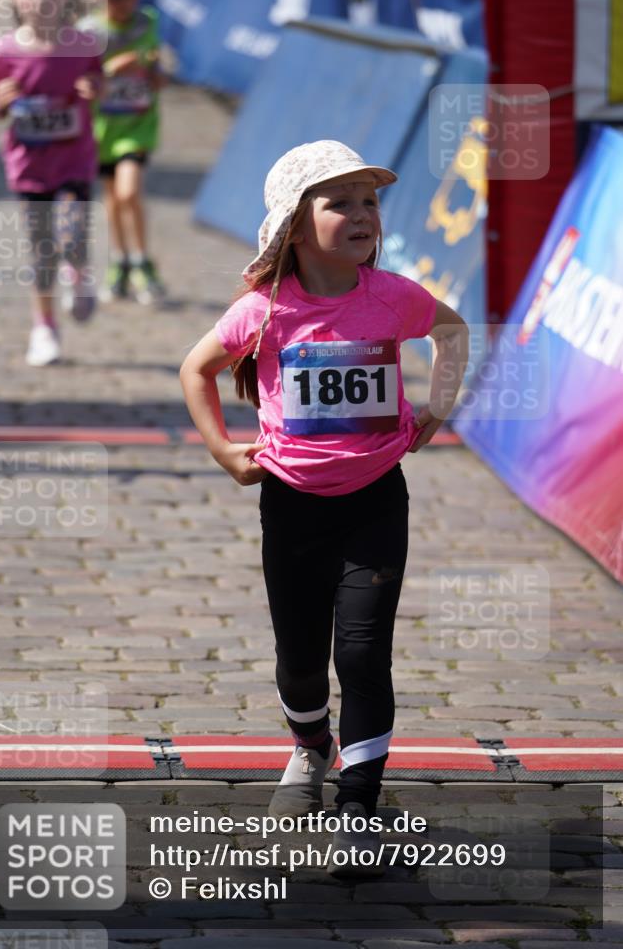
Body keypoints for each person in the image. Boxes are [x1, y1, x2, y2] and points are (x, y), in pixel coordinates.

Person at [180, 140, 469, 877]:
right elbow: (195, 368)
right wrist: (222, 450)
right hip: (292, 508)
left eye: (370, 201)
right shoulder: (263, 310)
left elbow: (452, 330)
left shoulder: (394, 296)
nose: (363, 214)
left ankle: (357, 808)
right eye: (340, 202)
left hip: (376, 503)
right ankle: (311, 748)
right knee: (301, 661)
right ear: (295, 227)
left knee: (363, 654)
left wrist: (437, 408)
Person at [0, 0, 103, 366]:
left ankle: (78, 273)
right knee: (41, 250)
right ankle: (44, 326)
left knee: (71, 233)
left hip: (73, 161)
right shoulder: (2, 53)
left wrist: (94, 88)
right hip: (28, 168)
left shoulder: (83, 46)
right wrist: (0, 101)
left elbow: (98, 81)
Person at [84, 0, 166, 305]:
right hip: (102, 130)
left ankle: (142, 260)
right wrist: (109, 71)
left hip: (137, 125)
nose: (124, 3)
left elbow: (159, 68)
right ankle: (120, 262)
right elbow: (80, 83)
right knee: (113, 198)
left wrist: (155, 74)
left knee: (129, 191)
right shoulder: (87, 33)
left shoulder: (148, 22)